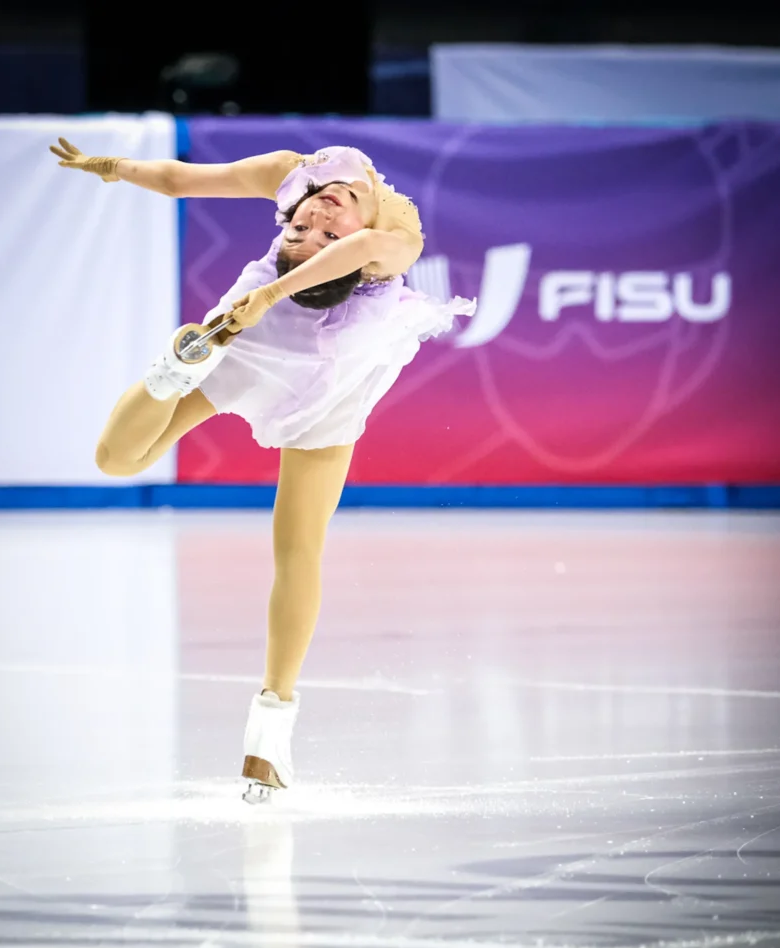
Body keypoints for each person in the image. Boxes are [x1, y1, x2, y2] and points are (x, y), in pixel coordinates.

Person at [50, 138, 475, 802]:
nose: (318, 214)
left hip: (320, 357)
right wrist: (114, 168)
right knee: (115, 461)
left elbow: (356, 253)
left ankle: (270, 728)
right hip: (263, 336)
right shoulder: (296, 180)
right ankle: (173, 370)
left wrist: (275, 288)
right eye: (305, 224)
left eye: (318, 227)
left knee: (299, 548)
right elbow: (177, 178)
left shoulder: (393, 231)